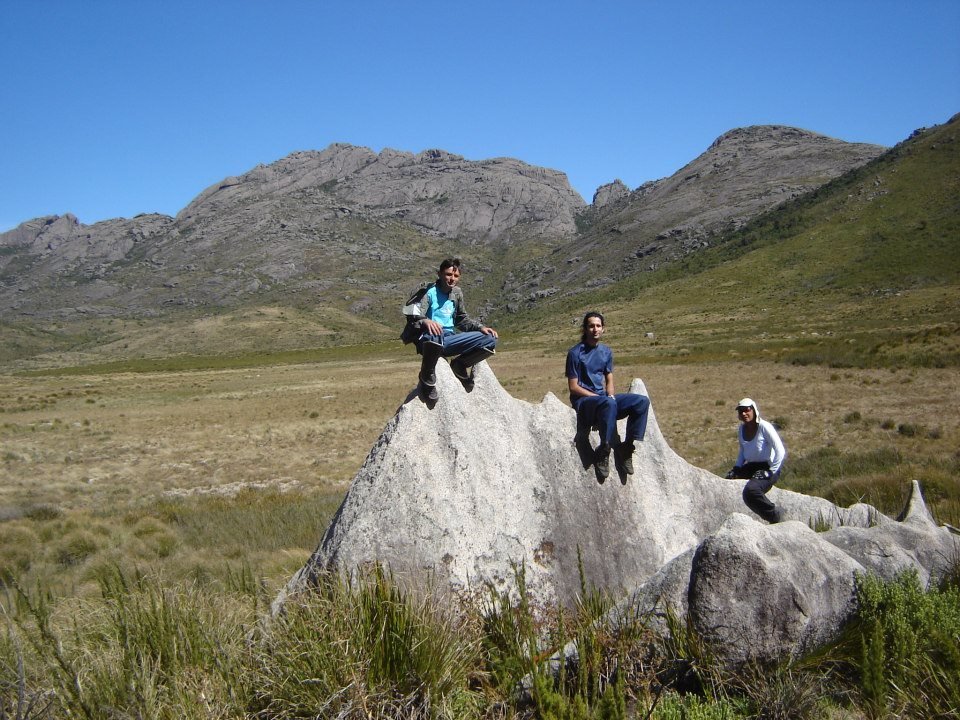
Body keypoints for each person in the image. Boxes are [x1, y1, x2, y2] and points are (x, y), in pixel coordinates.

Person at [565, 311, 650, 484]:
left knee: (641, 402)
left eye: (598, 326)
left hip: (603, 400)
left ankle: (626, 447)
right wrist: (601, 399)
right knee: (607, 403)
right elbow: (573, 387)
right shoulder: (575, 353)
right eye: (591, 326)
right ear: (585, 329)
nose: (595, 329)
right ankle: (603, 450)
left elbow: (609, 379)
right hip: (584, 402)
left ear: (603, 329)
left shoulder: (606, 352)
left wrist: (610, 396)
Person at [401, 257, 498, 402]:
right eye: (448, 274)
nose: (452, 279)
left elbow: (461, 319)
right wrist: (426, 321)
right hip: (429, 338)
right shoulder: (428, 291)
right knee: (434, 334)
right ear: (439, 274)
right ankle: (427, 377)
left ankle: (460, 365)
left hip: (449, 338)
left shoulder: (456, 293)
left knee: (490, 339)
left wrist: (481, 327)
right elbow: (411, 312)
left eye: (456, 276)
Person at [724, 397, 787, 523]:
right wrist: (737, 468)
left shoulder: (765, 427)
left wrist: (771, 471)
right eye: (741, 411)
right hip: (752, 466)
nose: (744, 413)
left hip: (768, 467)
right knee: (727, 481)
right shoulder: (742, 429)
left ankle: (774, 515)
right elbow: (743, 451)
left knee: (751, 491)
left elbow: (780, 451)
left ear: (754, 410)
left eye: (747, 410)